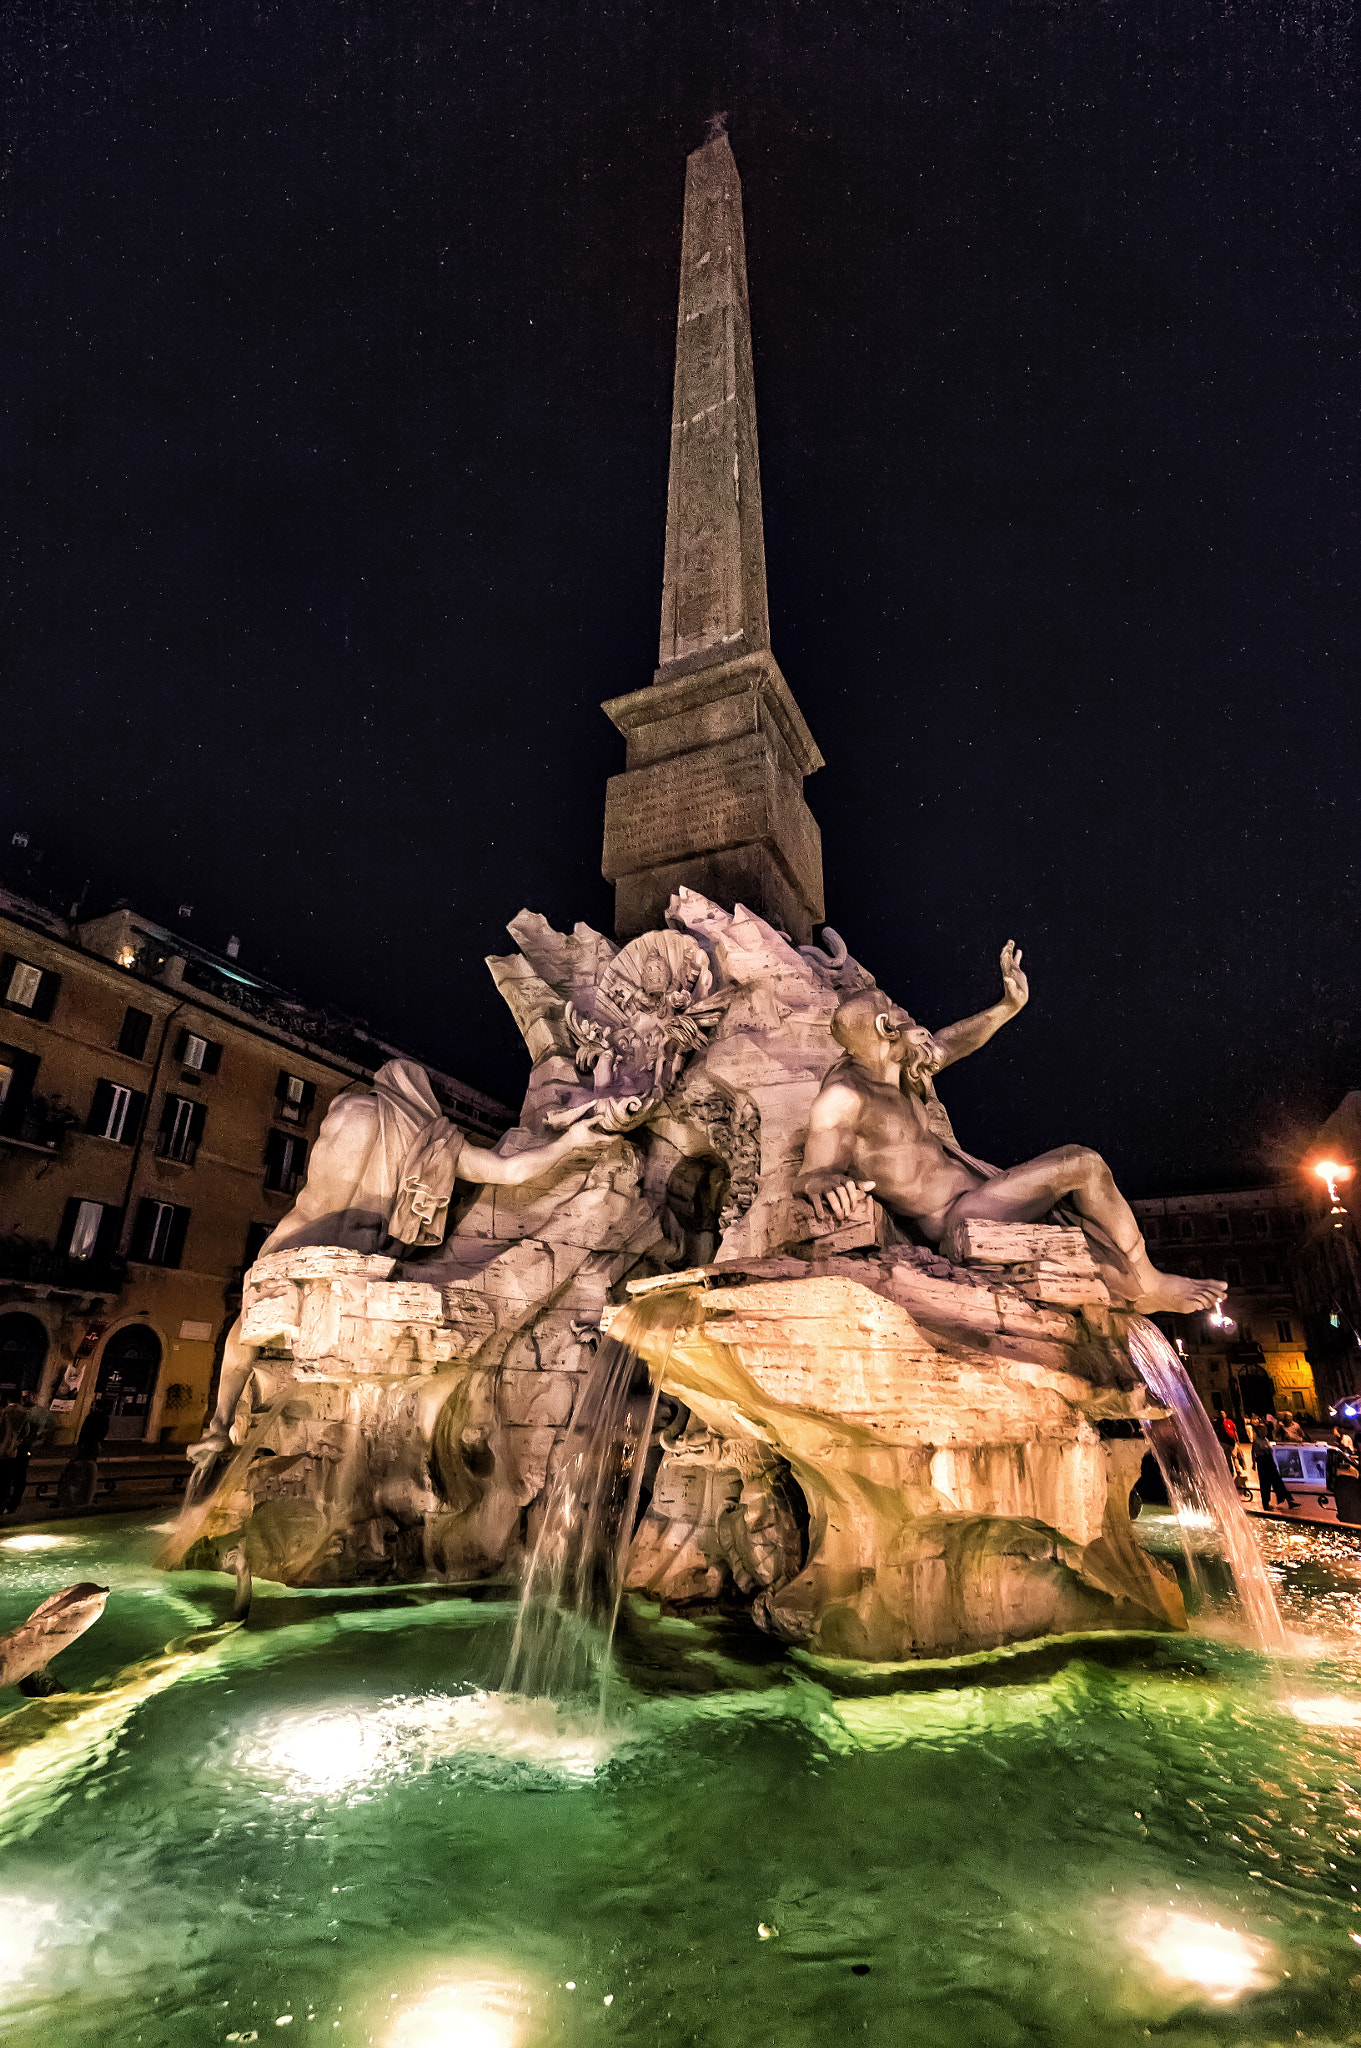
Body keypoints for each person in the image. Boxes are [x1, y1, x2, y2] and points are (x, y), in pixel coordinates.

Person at [796, 957, 1227, 1314]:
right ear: (887, 1026)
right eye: (899, 1010)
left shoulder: (901, 1073)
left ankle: (1139, 1277)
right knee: (1083, 1162)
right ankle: (1149, 1284)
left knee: (1081, 1170)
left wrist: (1008, 1006)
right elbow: (815, 1168)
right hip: (957, 1218)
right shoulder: (845, 1096)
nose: (914, 1017)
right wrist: (821, 1180)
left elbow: (951, 1043)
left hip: (980, 1191)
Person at [0, 1389, 37, 1514]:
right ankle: (10, 1506)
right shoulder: (24, 1413)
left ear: (8, 1399)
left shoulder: (4, 1412)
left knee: (3, 1480)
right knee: (16, 1479)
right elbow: (25, 1432)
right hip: (15, 1450)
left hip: (3, 1451)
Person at [1253, 1428, 1296, 1512]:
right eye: (1261, 1430)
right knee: (1265, 1484)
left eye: (1264, 1430)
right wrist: (1253, 1463)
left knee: (1278, 1481)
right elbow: (1254, 1453)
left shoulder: (1266, 1440)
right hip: (1263, 1463)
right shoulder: (1256, 1441)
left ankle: (1289, 1501)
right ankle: (1266, 1504)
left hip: (1269, 1461)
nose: (1263, 1432)